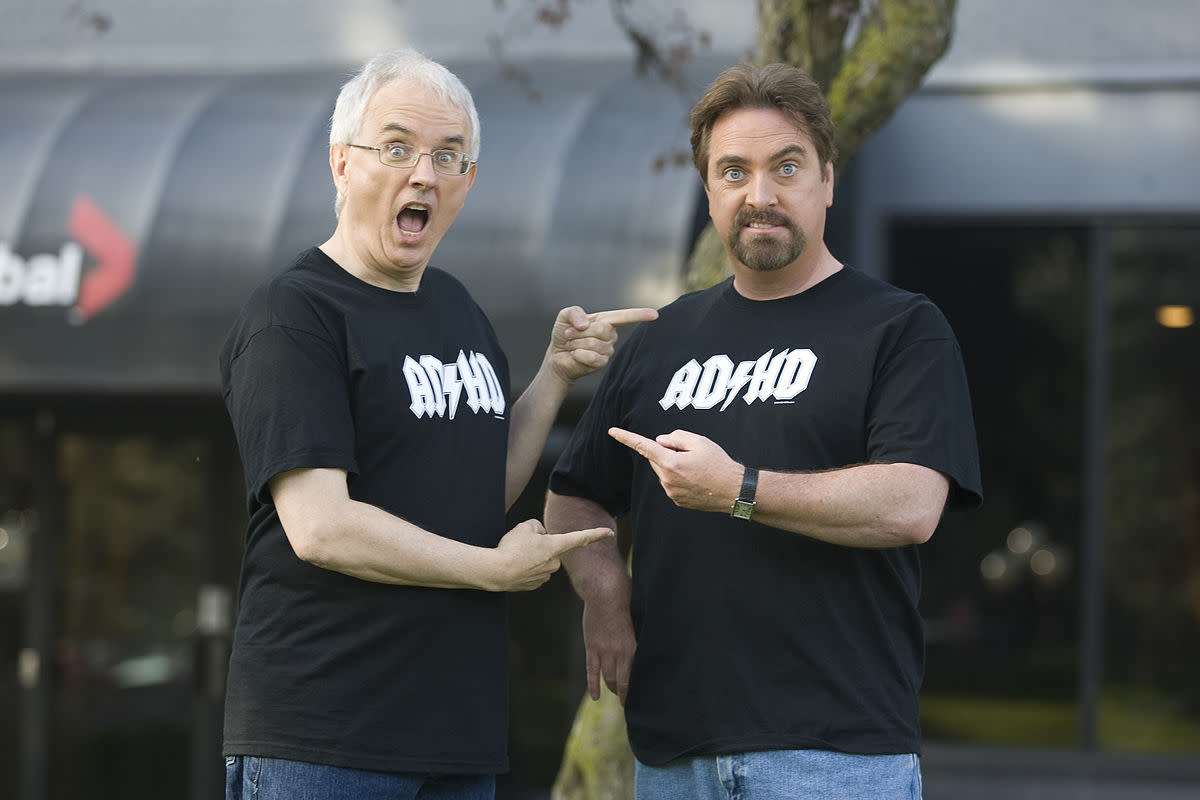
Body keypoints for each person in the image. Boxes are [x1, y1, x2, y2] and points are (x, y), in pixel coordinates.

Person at [218, 48, 656, 800]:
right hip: (323, 739)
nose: (423, 173)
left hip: (455, 737)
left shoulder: (459, 310)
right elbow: (321, 527)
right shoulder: (294, 316)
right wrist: (491, 570)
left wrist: (554, 374)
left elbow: (479, 490)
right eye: (396, 148)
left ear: (468, 182)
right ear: (341, 163)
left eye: (447, 156)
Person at [544, 61, 982, 799]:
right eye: (734, 172)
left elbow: (911, 504)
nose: (760, 196)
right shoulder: (662, 337)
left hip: (834, 758)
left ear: (827, 180)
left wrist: (738, 490)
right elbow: (572, 496)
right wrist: (605, 594)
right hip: (674, 756)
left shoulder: (901, 329)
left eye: (786, 167)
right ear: (709, 189)